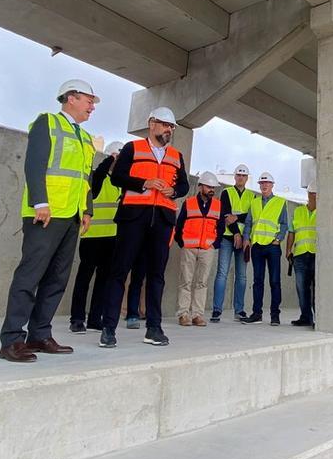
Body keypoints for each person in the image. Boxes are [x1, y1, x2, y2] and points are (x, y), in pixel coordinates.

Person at [0, 80, 97, 363]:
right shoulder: (48, 122)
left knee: (56, 279)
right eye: (89, 100)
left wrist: (87, 210)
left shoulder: (85, 137)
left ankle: (40, 334)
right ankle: (12, 341)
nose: (92, 107)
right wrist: (40, 202)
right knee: (30, 276)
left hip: (72, 216)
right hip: (46, 213)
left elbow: (84, 177)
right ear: (71, 98)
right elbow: (35, 163)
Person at [99, 107, 189, 348]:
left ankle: (154, 328)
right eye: (165, 125)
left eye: (171, 127)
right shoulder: (133, 148)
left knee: (157, 276)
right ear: (152, 124)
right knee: (119, 271)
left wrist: (175, 191)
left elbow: (184, 185)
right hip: (133, 217)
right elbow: (117, 177)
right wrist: (144, 183)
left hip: (162, 219)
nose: (169, 130)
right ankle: (108, 328)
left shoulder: (176, 155)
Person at [70, 141, 123, 334]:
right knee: (84, 278)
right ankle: (77, 318)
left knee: (103, 281)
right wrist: (111, 158)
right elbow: (100, 173)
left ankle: (94, 318)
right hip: (92, 237)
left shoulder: (119, 182)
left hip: (112, 238)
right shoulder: (97, 177)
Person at [174, 171, 226, 326]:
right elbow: (180, 224)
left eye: (213, 187)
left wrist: (214, 244)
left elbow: (221, 227)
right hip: (189, 247)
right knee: (186, 281)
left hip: (207, 249)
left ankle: (197, 315)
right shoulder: (189, 203)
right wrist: (182, 242)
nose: (212, 190)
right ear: (200, 186)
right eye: (209, 186)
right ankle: (183, 314)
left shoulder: (217, 205)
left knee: (202, 282)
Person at [242, 172, 288, 325]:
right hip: (257, 246)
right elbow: (249, 222)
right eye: (262, 183)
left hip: (273, 246)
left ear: (272, 185)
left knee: (275, 281)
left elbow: (284, 224)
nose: (264, 185)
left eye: (267, 183)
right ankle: (257, 313)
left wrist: (278, 239)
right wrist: (247, 239)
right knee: (258, 281)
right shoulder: (254, 203)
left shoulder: (280, 202)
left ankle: (275, 315)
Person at [213, 164, 253, 323]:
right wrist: (236, 231)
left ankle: (239, 310)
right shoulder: (226, 193)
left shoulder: (252, 196)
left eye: (243, 176)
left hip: (244, 240)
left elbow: (250, 217)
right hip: (228, 237)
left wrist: (238, 220)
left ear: (247, 178)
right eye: (238, 175)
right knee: (222, 273)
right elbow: (225, 215)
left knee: (242, 276)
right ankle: (217, 310)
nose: (241, 178)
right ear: (235, 177)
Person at [286, 181, 317, 327]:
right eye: (313, 194)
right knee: (301, 287)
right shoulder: (298, 211)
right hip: (300, 255)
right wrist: (288, 250)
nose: (315, 196)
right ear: (309, 194)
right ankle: (306, 317)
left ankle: (320, 317)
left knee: (318, 288)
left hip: (318, 256)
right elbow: (291, 232)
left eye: (318, 194)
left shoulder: (325, 212)